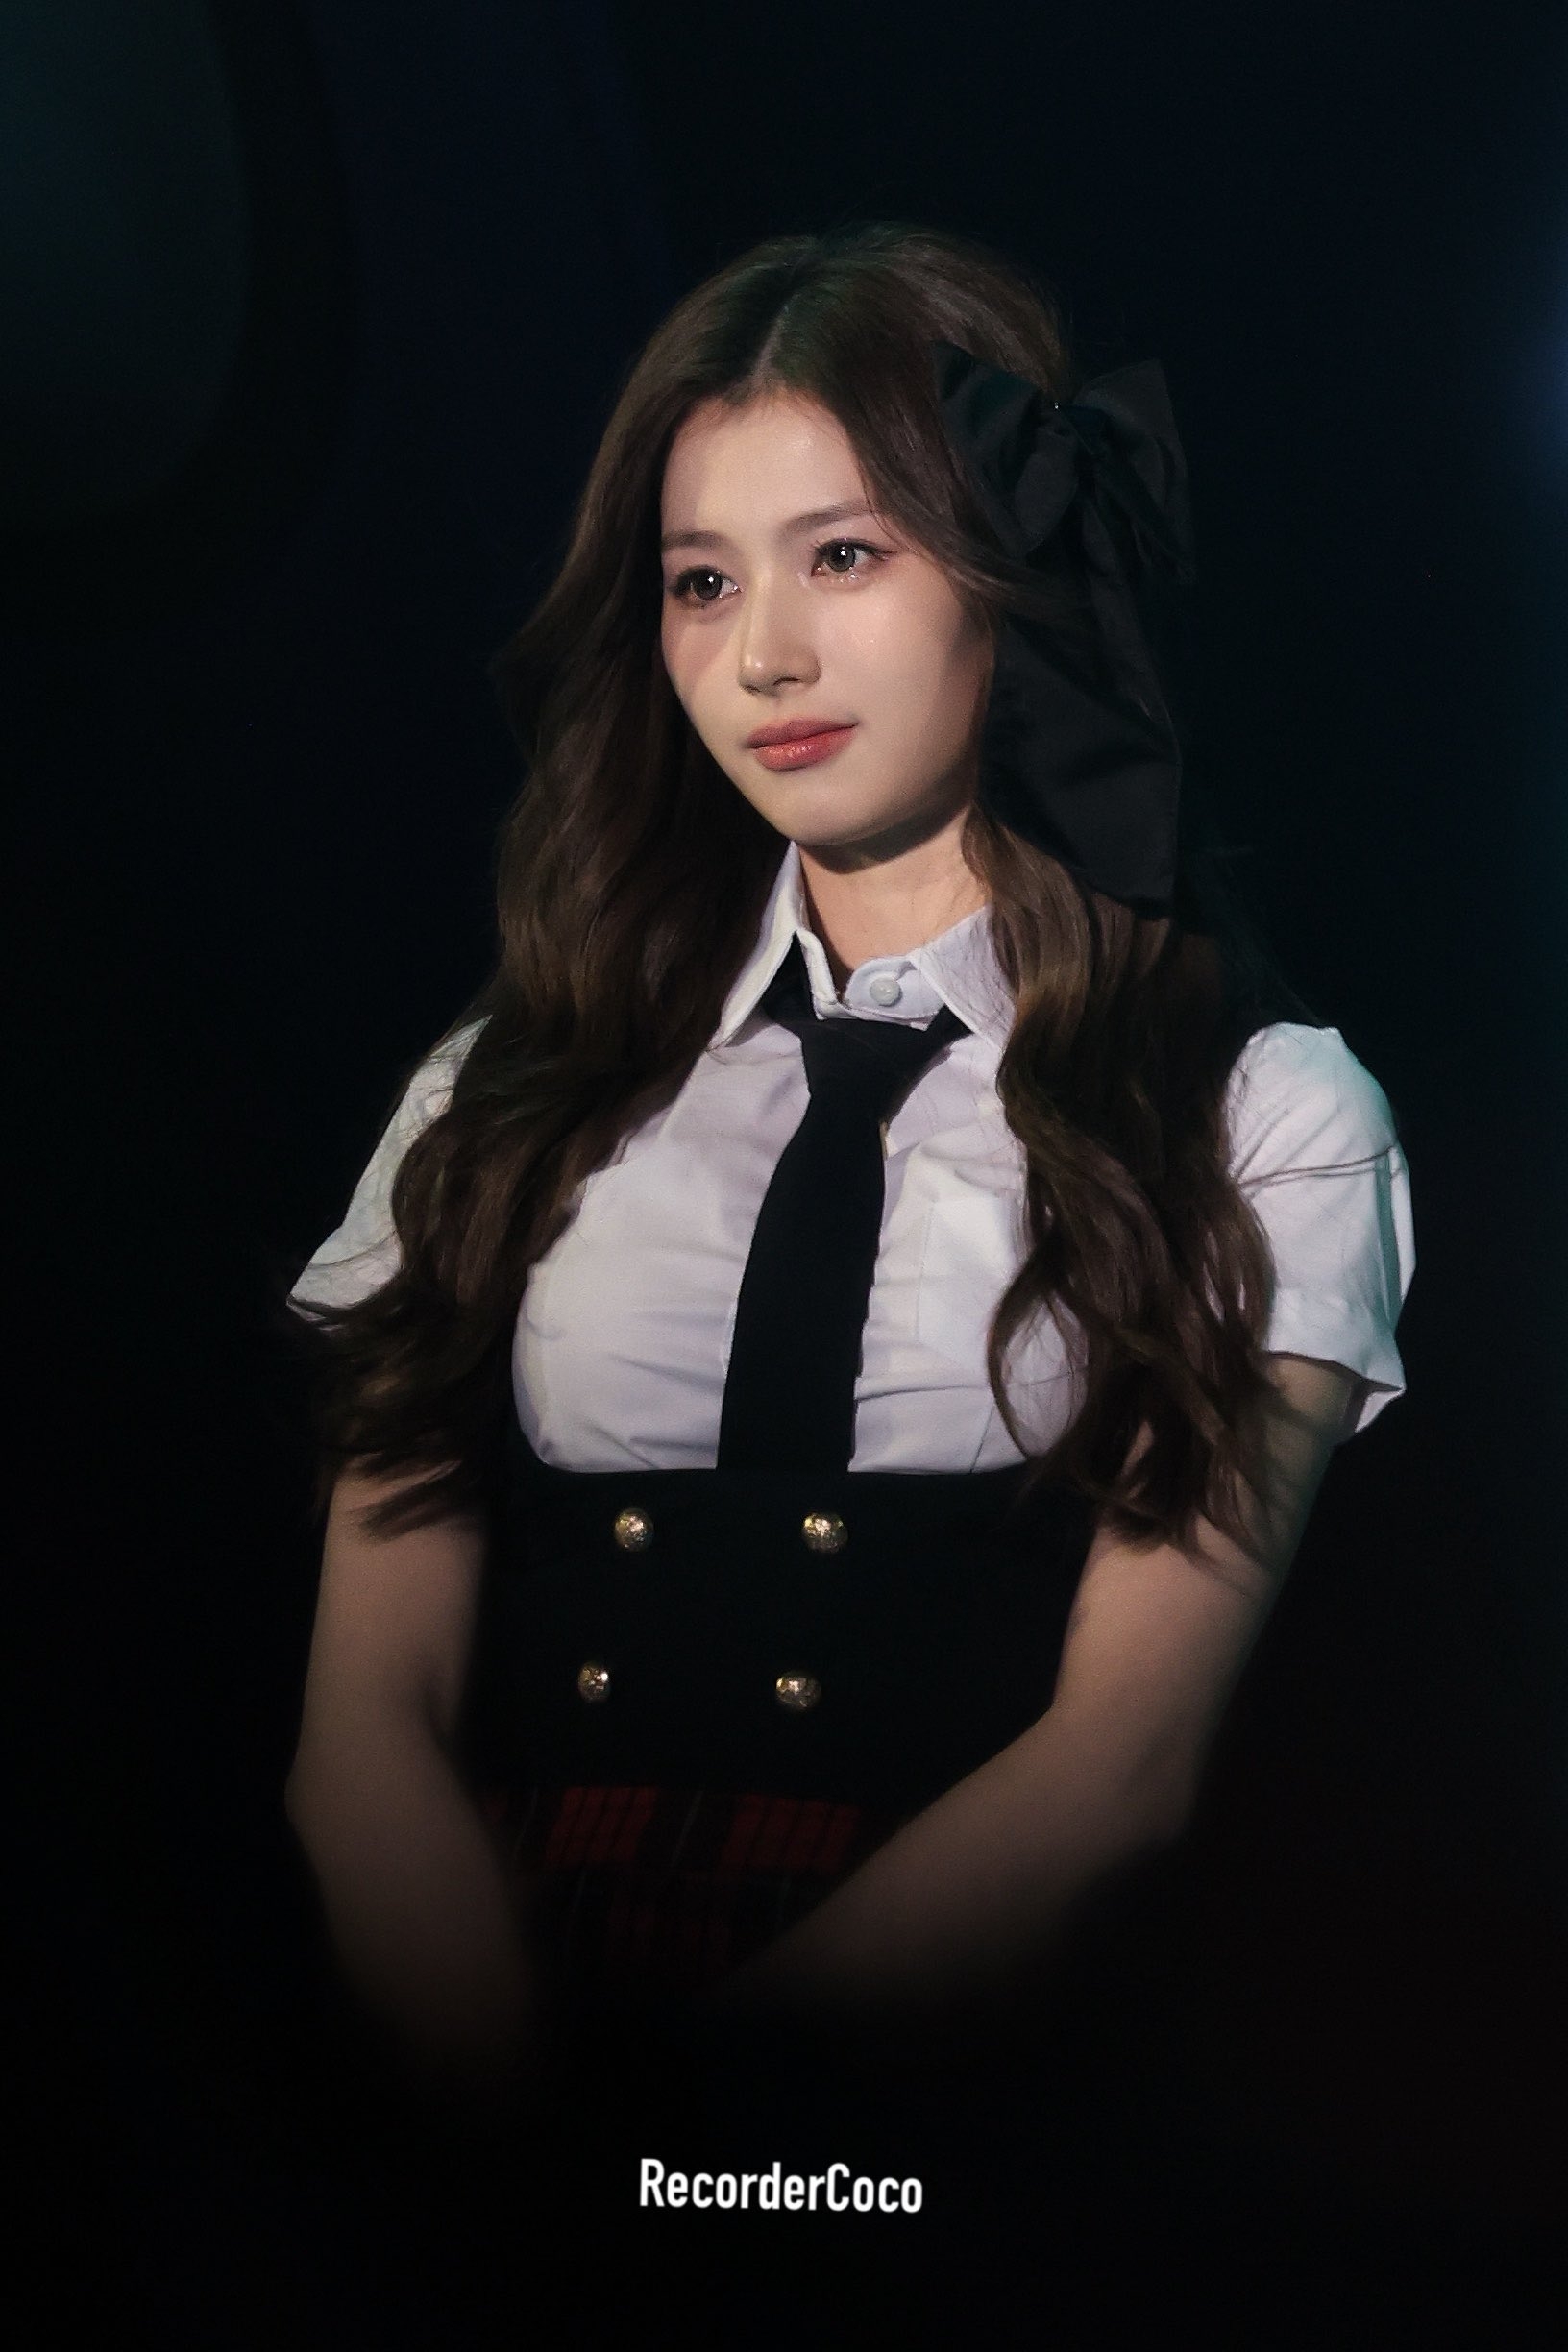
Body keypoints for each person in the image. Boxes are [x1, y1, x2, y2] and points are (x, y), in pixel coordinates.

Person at [282, 224, 1414, 2148]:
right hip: (498, 2081)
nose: (765, 657)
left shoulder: (1259, 1111)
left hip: (955, 2107)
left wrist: (699, 2138)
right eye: (701, 581)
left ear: (1013, 569)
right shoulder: (506, 1091)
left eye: (845, 555)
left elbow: (1121, 1774)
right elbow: (357, 1734)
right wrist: (512, 2122)